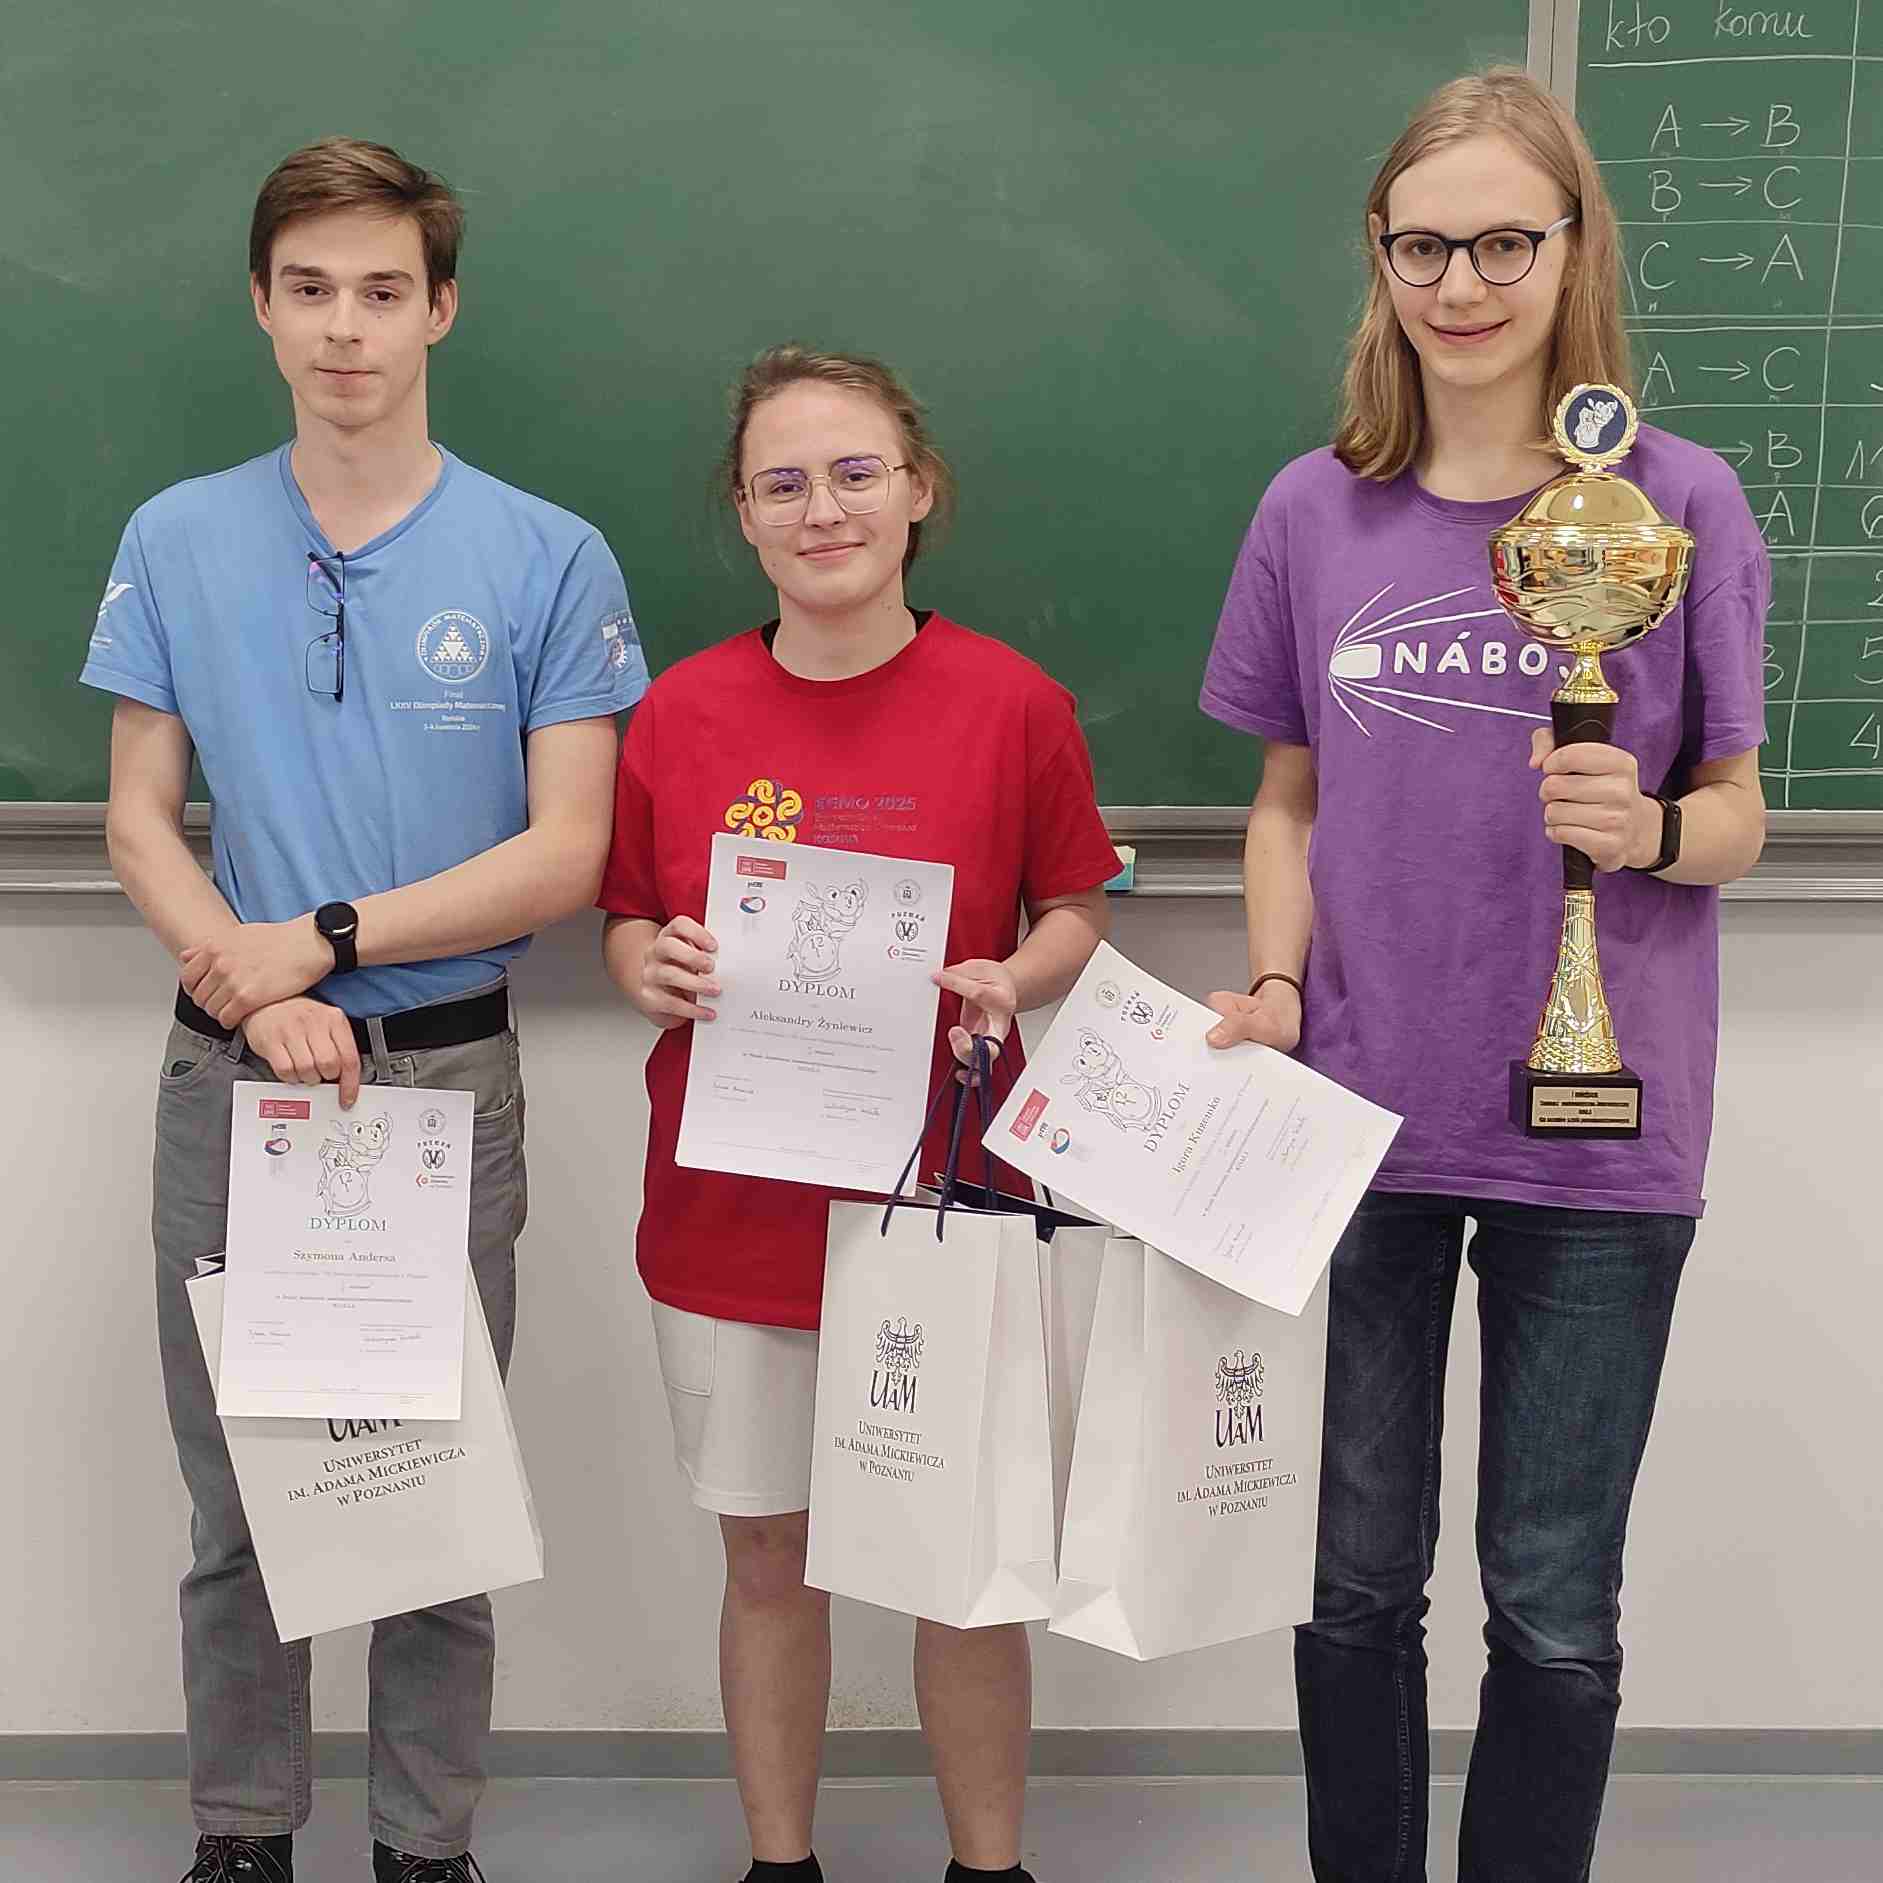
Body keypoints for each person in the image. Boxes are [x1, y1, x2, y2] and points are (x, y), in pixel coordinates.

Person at [1198, 69, 1767, 1883]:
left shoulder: (1678, 500)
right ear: (1380, 258)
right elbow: (1285, 803)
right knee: (1356, 1581)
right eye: (1424, 246)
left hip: (1601, 1131)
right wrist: (1278, 985)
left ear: (1573, 249)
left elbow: (1740, 811)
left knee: (1553, 1599)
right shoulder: (1316, 508)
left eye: (1506, 243)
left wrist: (1648, 831)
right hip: (1358, 1118)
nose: (1463, 284)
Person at [79, 137, 647, 1883]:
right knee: (240, 1497)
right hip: (236, 1080)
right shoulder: (176, 537)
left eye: (383, 292)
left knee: (429, 1497)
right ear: (261, 308)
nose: (346, 328)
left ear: (440, 311)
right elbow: (135, 821)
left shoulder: (548, 555)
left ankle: (424, 1846)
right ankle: (244, 1833)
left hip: (441, 1076)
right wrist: (249, 990)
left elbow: (566, 852)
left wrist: (319, 943)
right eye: (310, 290)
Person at [599, 344, 1118, 1883]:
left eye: (853, 474)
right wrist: (649, 968)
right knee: (769, 1556)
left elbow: (1076, 905)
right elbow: (626, 921)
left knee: (961, 1569)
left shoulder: (1013, 703)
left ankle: (988, 1868)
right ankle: (782, 1864)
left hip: (944, 1204)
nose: (821, 510)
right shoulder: (680, 711)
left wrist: (1013, 976)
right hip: (732, 1209)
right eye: (782, 483)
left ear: (918, 491)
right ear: (743, 514)